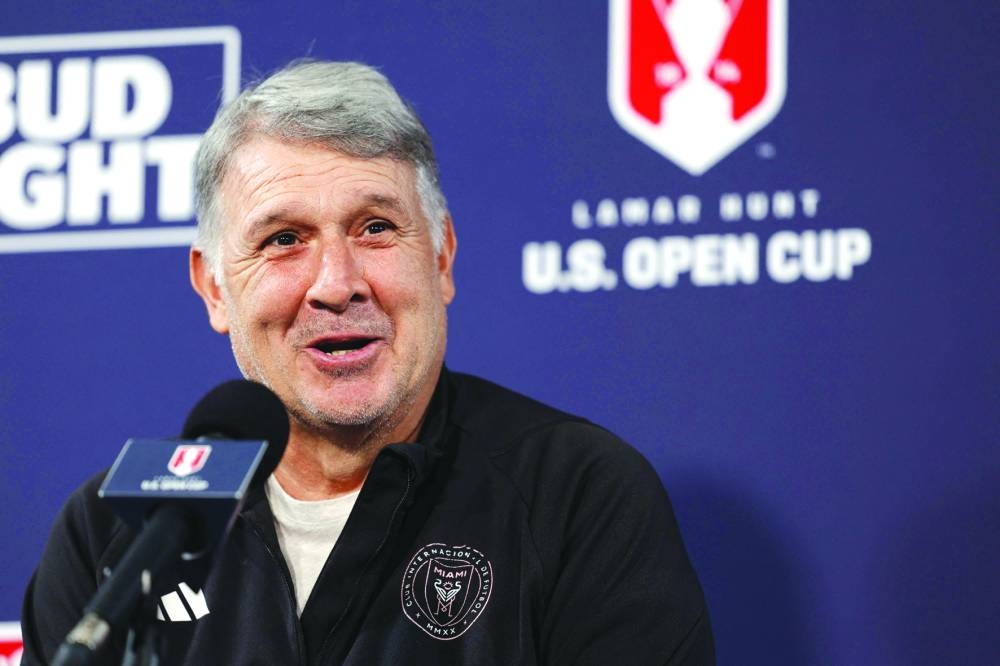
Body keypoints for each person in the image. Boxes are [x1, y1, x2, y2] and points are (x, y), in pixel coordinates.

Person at [21, 60, 713, 665]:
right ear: (214, 288)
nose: (335, 282)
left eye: (375, 227)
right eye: (285, 238)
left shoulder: (578, 498)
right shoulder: (115, 533)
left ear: (440, 257)